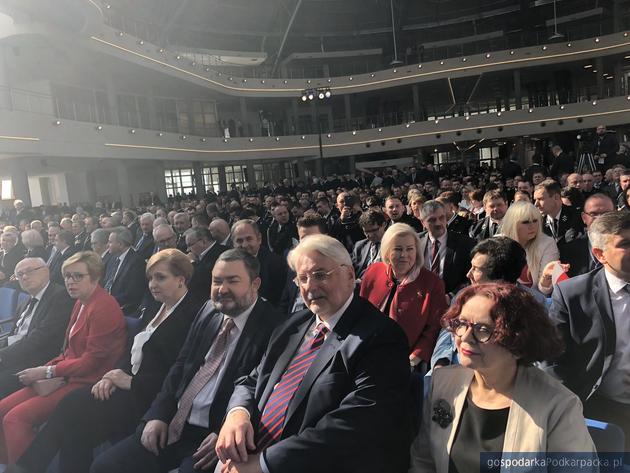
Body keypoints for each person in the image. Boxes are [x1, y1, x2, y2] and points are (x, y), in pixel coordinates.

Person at [215, 235, 412, 473]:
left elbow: (358, 425)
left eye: (320, 275)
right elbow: (253, 380)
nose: (310, 286)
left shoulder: (381, 337)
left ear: (350, 275)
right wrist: (238, 414)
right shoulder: (292, 325)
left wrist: (265, 464)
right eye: (303, 278)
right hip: (249, 453)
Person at [91, 249, 284, 473]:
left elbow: (265, 392)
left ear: (255, 283)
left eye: (232, 281)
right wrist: (158, 415)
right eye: (217, 281)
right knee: (105, 466)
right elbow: (181, 365)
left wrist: (226, 430)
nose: (222, 289)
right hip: (175, 421)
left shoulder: (275, 327)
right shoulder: (209, 310)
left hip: (214, 436)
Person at [13, 249, 205, 473]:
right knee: (75, 429)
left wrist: (130, 382)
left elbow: (178, 373)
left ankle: (25, 468)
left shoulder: (192, 316)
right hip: (124, 384)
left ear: (181, 279)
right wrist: (112, 376)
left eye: (160, 277)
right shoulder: (156, 305)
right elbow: (131, 348)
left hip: (149, 397)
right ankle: (27, 468)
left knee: (72, 406)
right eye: (150, 278)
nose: (152, 284)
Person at [410, 283, 596, 473]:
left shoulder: (559, 406)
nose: (465, 337)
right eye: (461, 323)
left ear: (516, 341)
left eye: (483, 329)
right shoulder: (444, 383)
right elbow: (423, 460)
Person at [0, 251, 126, 465]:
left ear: (94, 277)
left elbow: (92, 362)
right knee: (2, 408)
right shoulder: (80, 302)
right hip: (66, 374)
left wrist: (47, 371)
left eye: (78, 276)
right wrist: (43, 370)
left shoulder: (104, 306)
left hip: (86, 381)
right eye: (67, 276)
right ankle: (9, 465)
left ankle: (24, 469)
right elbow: (67, 351)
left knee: (16, 418)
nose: (70, 281)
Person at [544, 211, 630, 448]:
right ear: (600, 254)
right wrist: (570, 408)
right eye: (626, 244)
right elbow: (552, 359)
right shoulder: (574, 294)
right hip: (598, 407)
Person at [360, 223, 447, 368]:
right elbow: (361, 312)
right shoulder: (373, 272)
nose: (404, 255)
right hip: (367, 351)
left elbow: (434, 328)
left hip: (407, 360)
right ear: (387, 251)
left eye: (410, 249)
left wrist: (413, 359)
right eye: (398, 249)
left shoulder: (432, 282)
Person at [0, 258, 73, 398]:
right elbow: (14, 334)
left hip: (37, 361)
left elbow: (41, 338)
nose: (25, 277)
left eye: (29, 271)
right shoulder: (28, 299)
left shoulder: (60, 296)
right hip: (17, 353)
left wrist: (2, 356)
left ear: (46, 271)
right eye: (20, 275)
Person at [499, 201, 559, 294]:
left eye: (535, 221)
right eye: (526, 222)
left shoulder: (547, 243)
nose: (532, 226)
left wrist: (545, 279)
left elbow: (545, 291)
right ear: (512, 223)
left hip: (534, 301)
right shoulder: (498, 242)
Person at [418, 201, 474, 297]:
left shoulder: (465, 243)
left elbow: (470, 278)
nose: (438, 223)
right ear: (422, 222)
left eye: (441, 218)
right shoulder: (415, 242)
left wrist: (452, 296)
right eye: (432, 220)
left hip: (452, 302)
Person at [231, 219, 287, 305]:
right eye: (239, 241)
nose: (245, 245)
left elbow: (278, 302)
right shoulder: (229, 265)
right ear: (233, 244)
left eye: (249, 239)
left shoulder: (276, 264)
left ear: (259, 239)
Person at [560, 193, 615, 277]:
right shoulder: (568, 251)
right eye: (593, 214)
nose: (599, 218)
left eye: (605, 214)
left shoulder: (626, 246)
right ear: (584, 218)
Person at [103, 227, 146, 316]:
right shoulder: (112, 258)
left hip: (122, 309)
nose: (107, 245)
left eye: (110, 242)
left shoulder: (137, 262)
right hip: (107, 302)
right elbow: (106, 282)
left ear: (120, 244)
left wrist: (107, 302)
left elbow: (131, 294)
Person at [534, 179, 584, 247]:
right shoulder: (538, 222)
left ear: (556, 197)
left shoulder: (577, 216)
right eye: (535, 200)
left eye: (540, 199)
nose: (536, 204)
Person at [185, 227, 227, 300]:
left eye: (190, 245)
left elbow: (203, 280)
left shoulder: (220, 254)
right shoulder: (207, 254)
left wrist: (192, 262)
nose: (188, 250)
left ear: (203, 241)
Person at [351, 209, 387, 279]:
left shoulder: (394, 244)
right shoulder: (359, 246)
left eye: (373, 230)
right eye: (366, 232)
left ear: (384, 224)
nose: (369, 235)